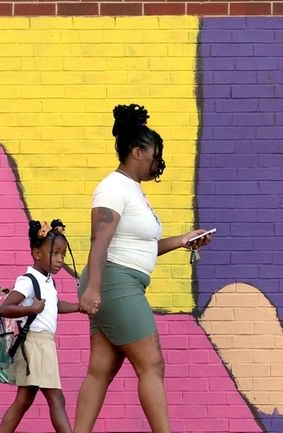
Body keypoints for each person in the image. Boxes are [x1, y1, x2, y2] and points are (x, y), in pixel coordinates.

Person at [74, 104, 213, 433]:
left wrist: (182, 240)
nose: (157, 160)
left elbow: (140, 246)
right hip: (114, 282)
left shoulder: (131, 190)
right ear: (136, 151)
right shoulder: (113, 188)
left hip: (117, 281)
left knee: (101, 369)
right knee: (151, 364)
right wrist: (94, 288)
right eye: (154, 152)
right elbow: (99, 240)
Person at [0, 219, 82, 433]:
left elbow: (53, 306)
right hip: (35, 345)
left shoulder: (47, 280)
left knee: (23, 401)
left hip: (43, 345)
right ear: (37, 254)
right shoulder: (28, 280)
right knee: (56, 399)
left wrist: (79, 307)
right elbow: (6, 308)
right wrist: (31, 309)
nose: (60, 260)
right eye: (55, 254)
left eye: (63, 255)